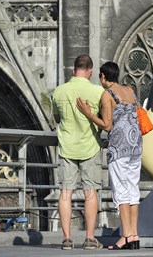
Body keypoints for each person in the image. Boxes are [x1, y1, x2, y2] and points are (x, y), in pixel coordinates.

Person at [77, 61, 143, 250]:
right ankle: (134, 235)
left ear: (103, 77)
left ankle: (125, 236)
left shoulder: (108, 94)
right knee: (132, 190)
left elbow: (106, 125)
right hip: (136, 146)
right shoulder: (130, 92)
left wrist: (88, 113)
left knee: (121, 192)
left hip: (119, 148)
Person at [52, 54, 104, 250]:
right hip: (90, 147)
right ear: (90, 71)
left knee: (65, 192)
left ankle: (66, 238)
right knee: (90, 192)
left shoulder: (59, 91)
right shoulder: (98, 92)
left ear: (73, 71)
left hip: (67, 147)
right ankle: (90, 238)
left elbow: (56, 118)